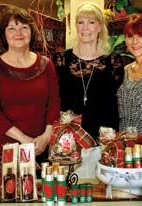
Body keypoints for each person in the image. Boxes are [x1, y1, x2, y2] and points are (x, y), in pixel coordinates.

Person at [0, 6, 60, 163]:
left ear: (32, 32)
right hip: (6, 149)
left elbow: (54, 102)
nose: (18, 33)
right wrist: (24, 140)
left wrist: (46, 136)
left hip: (41, 147)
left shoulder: (46, 64)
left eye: (24, 27)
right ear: (4, 34)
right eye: (11, 28)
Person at [53, 2, 124, 141]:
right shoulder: (60, 60)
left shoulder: (114, 62)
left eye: (91, 22)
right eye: (81, 22)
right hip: (69, 139)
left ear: (99, 27)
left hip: (104, 137)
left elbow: (116, 102)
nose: (85, 28)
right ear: (76, 26)